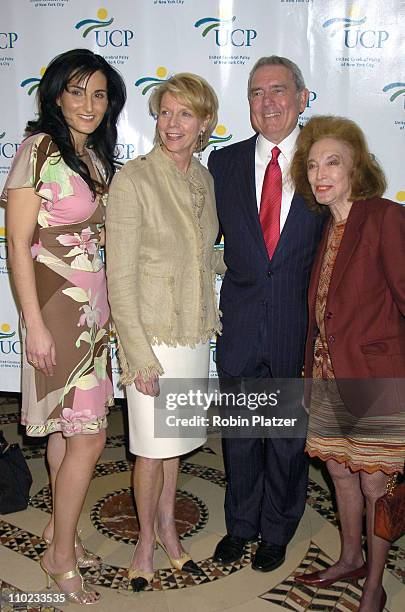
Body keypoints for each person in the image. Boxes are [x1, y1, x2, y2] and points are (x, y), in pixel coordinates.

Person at [2, 48, 126, 604]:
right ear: (55, 94)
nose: (88, 104)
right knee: (90, 435)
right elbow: (18, 245)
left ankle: (60, 529)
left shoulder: (92, 153)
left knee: (66, 432)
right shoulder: (38, 150)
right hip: (56, 307)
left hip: (92, 310)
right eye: (77, 91)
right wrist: (34, 324)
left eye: (98, 94)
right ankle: (59, 557)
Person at [106, 72, 225, 592]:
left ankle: (170, 530)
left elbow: (204, 252)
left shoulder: (204, 179)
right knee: (151, 448)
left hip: (194, 331)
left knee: (174, 445)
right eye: (164, 112)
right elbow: (120, 275)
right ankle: (145, 545)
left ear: (204, 124)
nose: (171, 123)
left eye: (184, 114)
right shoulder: (134, 179)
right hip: (152, 338)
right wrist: (139, 355)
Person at [208, 56, 326, 571]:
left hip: (296, 329)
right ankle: (240, 526)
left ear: (303, 98)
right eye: (257, 92)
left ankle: (277, 529)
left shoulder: (323, 161)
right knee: (240, 437)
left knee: (285, 441)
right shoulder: (223, 164)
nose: (268, 101)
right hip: (239, 324)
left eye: (279, 90)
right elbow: (204, 241)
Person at [290, 115, 405, 612]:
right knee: (339, 474)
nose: (321, 173)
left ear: (355, 166)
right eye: (313, 164)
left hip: (377, 378)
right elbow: (323, 312)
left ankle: (374, 583)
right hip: (327, 376)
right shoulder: (328, 226)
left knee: (376, 481)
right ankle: (350, 557)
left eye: (332, 162)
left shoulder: (384, 216)